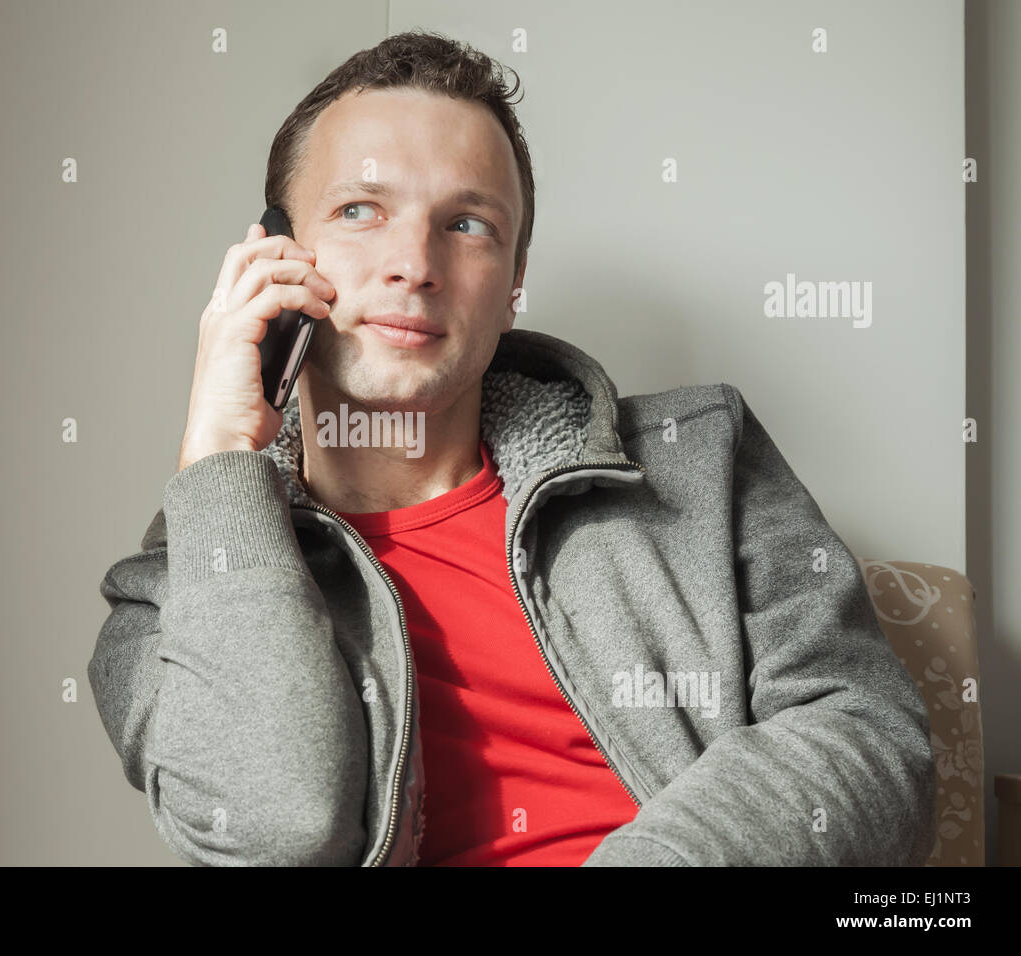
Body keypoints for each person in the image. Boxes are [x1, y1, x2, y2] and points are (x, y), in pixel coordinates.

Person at [87, 30, 937, 866]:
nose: (414, 265)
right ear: (271, 255)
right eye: (359, 211)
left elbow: (867, 740)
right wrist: (222, 450)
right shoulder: (173, 601)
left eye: (466, 224)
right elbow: (280, 832)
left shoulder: (701, 459)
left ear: (513, 287)